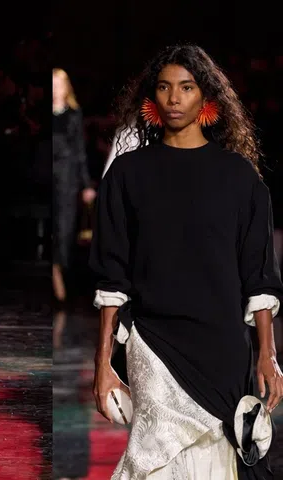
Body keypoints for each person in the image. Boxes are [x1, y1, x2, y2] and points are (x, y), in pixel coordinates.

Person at [90, 44, 283, 479]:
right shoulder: (127, 174)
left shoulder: (239, 177)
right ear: (151, 98)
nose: (174, 98)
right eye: (164, 87)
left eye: (187, 87)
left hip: (222, 345)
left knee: (218, 455)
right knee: (156, 454)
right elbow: (111, 275)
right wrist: (103, 364)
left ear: (206, 97)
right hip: (153, 340)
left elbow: (259, 275)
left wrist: (267, 355)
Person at [52, 68, 96, 303]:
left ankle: (60, 272)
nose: (54, 89)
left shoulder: (73, 114)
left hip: (67, 180)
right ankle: (55, 276)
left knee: (65, 229)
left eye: (58, 84)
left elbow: (80, 150)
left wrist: (86, 184)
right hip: (47, 176)